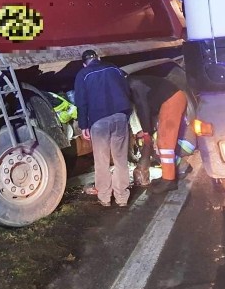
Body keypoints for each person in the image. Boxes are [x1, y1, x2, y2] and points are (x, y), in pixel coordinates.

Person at [73, 49, 133, 207]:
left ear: (84, 63)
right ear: (98, 58)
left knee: (102, 161)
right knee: (120, 160)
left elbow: (81, 102)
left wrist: (83, 125)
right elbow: (126, 90)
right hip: (120, 117)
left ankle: (105, 198)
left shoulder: (83, 74)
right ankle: (122, 198)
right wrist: (126, 114)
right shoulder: (114, 68)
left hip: (99, 122)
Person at [128, 74, 194, 194]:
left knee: (165, 144)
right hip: (169, 100)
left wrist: (147, 132)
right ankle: (170, 174)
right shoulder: (133, 82)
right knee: (161, 143)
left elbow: (143, 108)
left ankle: (169, 180)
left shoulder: (133, 85)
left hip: (171, 101)